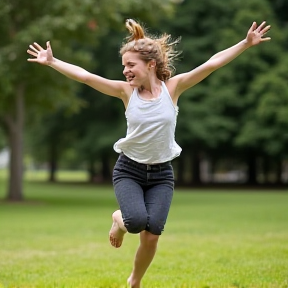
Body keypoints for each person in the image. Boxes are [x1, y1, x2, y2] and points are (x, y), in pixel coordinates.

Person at [27, 19, 271, 288]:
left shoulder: (173, 89)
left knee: (152, 234)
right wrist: (52, 62)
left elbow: (212, 63)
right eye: (124, 66)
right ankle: (118, 219)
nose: (125, 71)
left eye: (131, 65)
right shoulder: (125, 92)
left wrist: (245, 43)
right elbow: (86, 77)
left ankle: (135, 280)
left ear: (150, 65)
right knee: (135, 222)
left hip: (161, 174)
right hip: (129, 170)